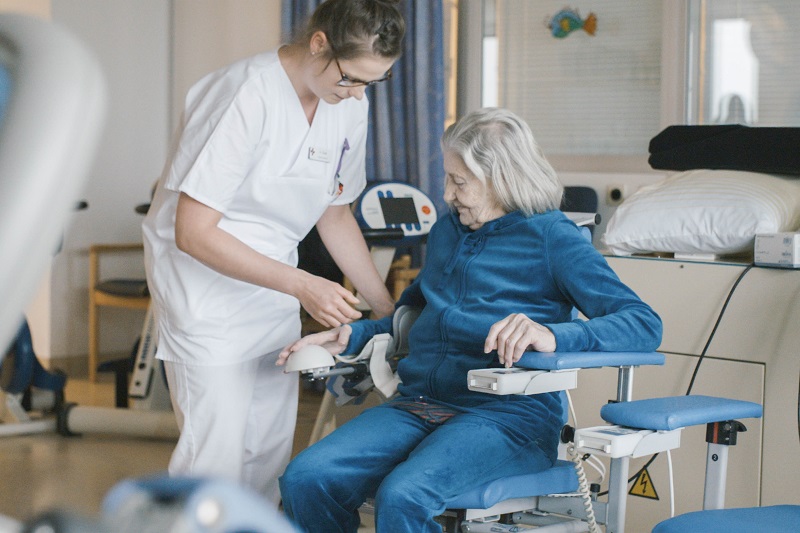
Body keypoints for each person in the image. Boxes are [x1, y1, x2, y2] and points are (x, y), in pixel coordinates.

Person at [277, 107, 663, 532]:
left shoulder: (552, 237)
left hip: (508, 418)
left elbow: (643, 323)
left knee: (404, 495)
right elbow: (413, 316)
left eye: (459, 181)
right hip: (419, 404)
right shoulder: (448, 231)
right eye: (447, 177)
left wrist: (553, 335)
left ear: (501, 178)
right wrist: (351, 335)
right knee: (306, 478)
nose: (446, 193)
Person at [141, 0, 404, 506]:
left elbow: (335, 214)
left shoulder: (350, 104)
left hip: (274, 283)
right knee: (213, 457)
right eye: (350, 78)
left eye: (373, 83)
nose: (356, 94)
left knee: (266, 451)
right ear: (319, 42)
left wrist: (388, 309)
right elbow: (193, 232)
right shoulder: (243, 92)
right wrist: (303, 284)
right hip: (204, 287)